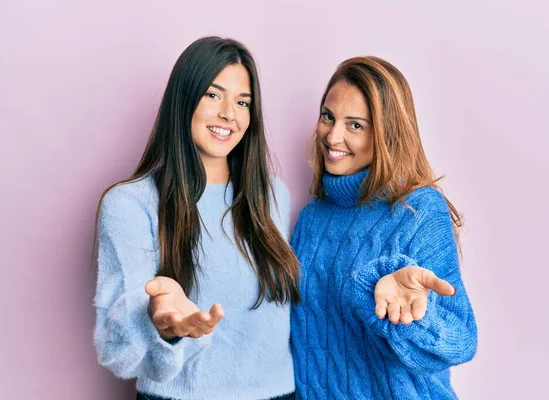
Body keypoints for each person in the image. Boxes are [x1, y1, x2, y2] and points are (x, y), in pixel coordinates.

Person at [93, 36, 299, 400]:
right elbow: (119, 355)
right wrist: (165, 328)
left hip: (280, 393)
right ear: (184, 99)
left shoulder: (273, 196)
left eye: (242, 102)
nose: (229, 115)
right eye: (213, 95)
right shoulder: (130, 204)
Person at [290, 56, 478, 399]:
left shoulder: (417, 208)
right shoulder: (311, 218)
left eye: (355, 125)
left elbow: (460, 340)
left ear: (386, 133)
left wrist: (411, 314)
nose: (333, 136)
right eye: (328, 117)